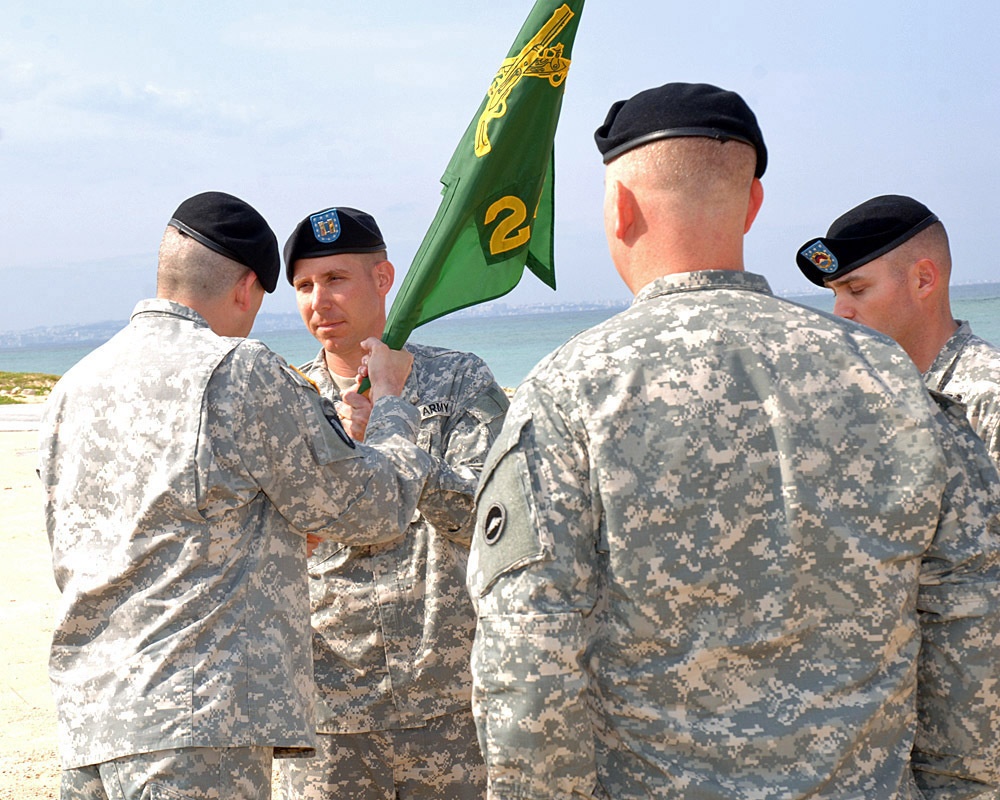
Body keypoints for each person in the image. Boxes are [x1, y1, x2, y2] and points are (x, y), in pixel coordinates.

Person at [466, 83, 1000, 798]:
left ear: (619, 209)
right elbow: (970, 626)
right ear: (752, 204)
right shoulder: (894, 381)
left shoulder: (569, 392)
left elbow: (527, 662)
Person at [38, 191, 436, 800]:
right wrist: (392, 409)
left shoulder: (73, 388)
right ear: (247, 288)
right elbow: (373, 508)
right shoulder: (236, 369)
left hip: (91, 725)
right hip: (194, 723)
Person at [277, 206, 507, 799]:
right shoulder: (287, 401)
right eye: (303, 286)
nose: (317, 301)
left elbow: (493, 518)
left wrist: (396, 442)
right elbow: (273, 543)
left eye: (335, 279)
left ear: (383, 279)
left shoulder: (457, 380)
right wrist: (344, 455)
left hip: (449, 702)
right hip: (332, 710)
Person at [796, 194, 1000, 464]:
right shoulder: (856, 393)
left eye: (857, 289)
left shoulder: (989, 396)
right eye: (835, 294)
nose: (839, 312)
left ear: (923, 280)